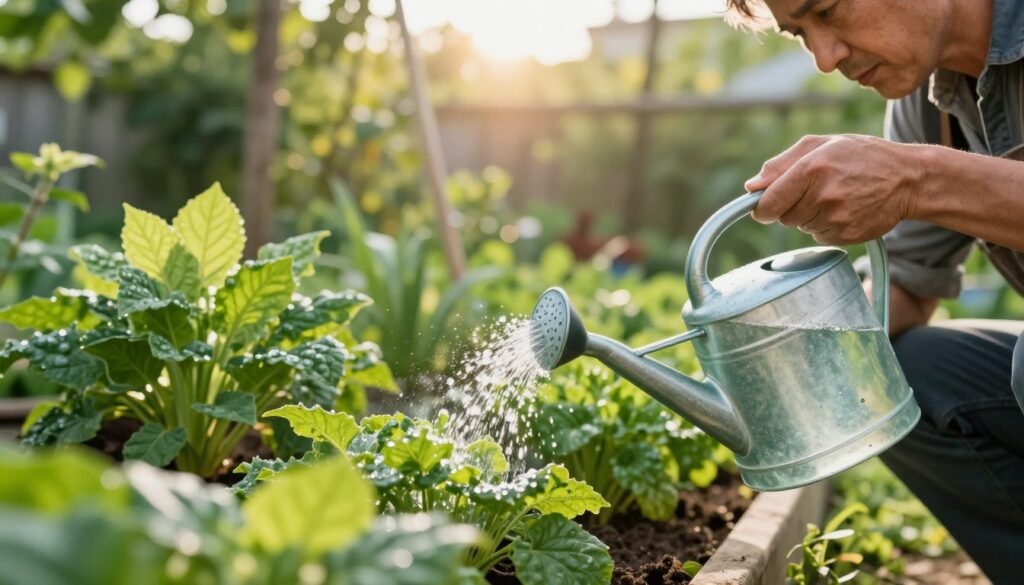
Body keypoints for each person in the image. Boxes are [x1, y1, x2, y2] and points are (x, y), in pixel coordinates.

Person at [721, 0, 1024, 582]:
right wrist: (760, 365)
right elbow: (906, 290)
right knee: (893, 374)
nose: (825, 57)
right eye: (798, 32)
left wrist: (917, 178)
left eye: (829, 11)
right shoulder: (929, 100)